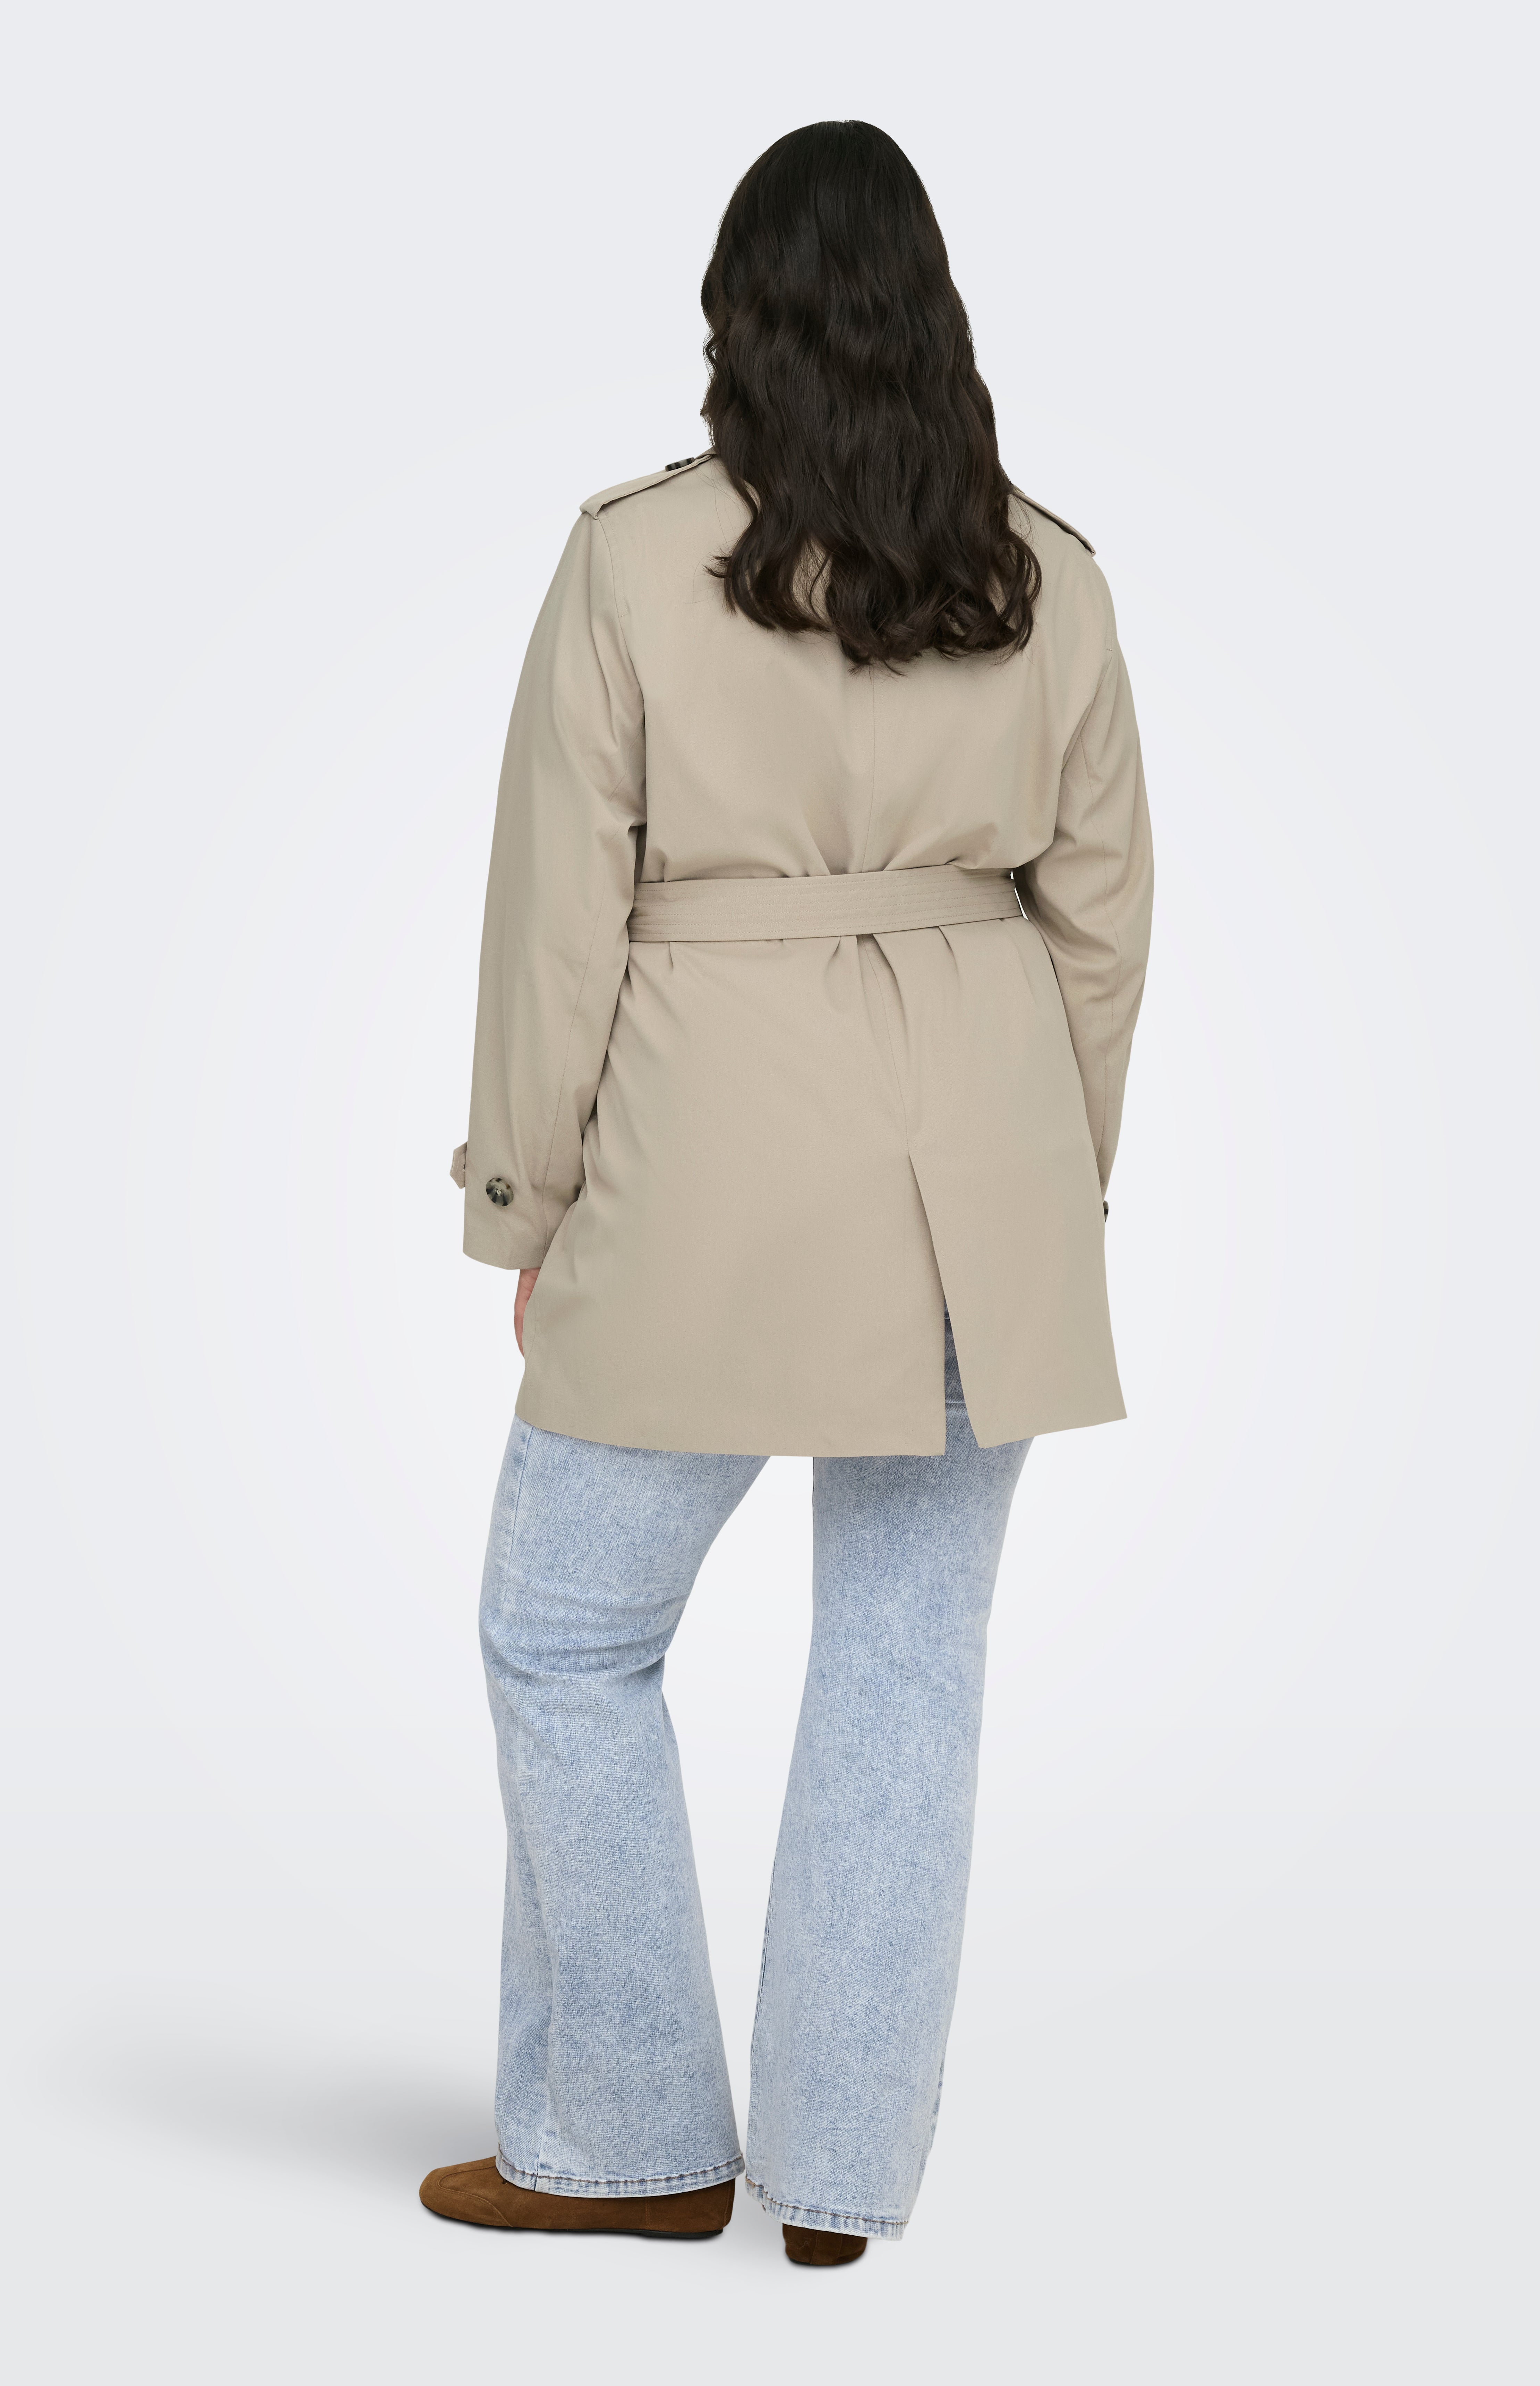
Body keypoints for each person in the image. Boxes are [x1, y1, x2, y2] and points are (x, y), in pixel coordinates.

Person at [421, 119, 1152, 2267]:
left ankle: (630, 2134)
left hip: (706, 1161)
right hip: (979, 1172)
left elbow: (557, 916)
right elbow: (1102, 925)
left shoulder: (632, 559)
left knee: (563, 1631)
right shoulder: (1045, 572)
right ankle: (835, 2182)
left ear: (732, 319)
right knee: (907, 1659)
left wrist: (527, 1201)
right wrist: (1052, 1199)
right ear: (935, 315)